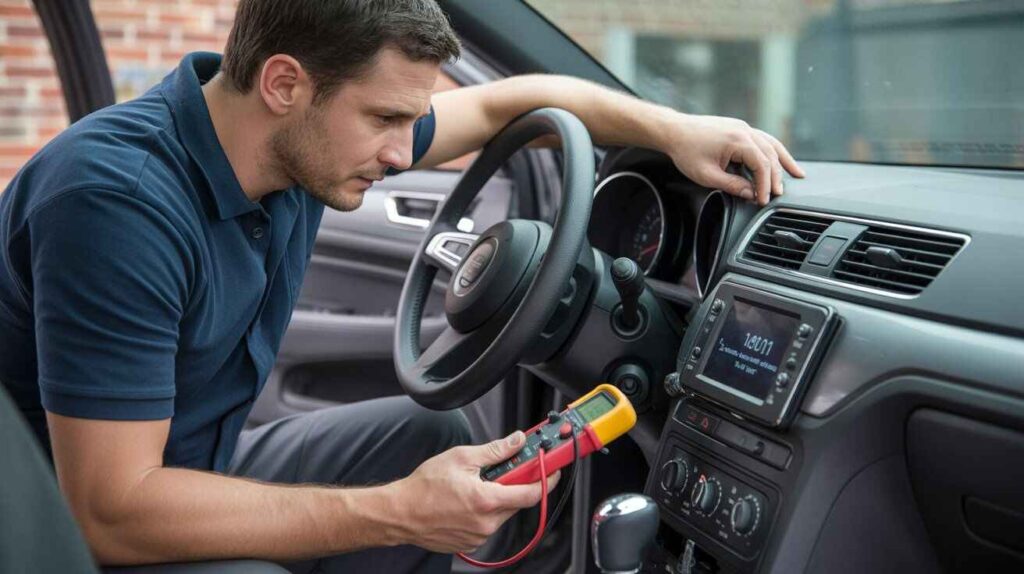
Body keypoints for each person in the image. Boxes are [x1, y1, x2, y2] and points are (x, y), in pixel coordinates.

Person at [0, 0, 803, 572]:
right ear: (284, 84)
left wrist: (676, 129)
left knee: (429, 437)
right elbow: (107, 513)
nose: (400, 150)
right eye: (386, 119)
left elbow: (509, 103)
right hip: (54, 528)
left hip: (181, 463)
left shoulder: (289, 138)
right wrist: (395, 511)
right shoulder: (118, 203)